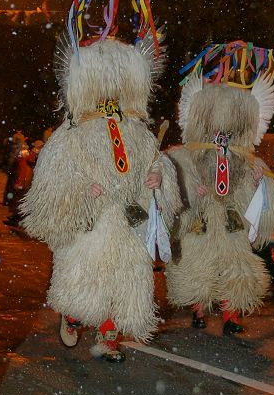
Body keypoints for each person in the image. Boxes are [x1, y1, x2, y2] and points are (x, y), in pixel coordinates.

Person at [20, 31, 181, 361]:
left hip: (126, 222)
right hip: (91, 224)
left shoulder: (139, 131)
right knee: (86, 278)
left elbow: (157, 162)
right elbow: (52, 182)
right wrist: (81, 193)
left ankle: (108, 339)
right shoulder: (71, 133)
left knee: (122, 282)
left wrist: (157, 176)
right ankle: (74, 315)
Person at [165, 43, 274, 336]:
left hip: (231, 224)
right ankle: (199, 310)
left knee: (236, 269)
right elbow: (177, 186)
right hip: (201, 222)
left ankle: (230, 316)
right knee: (199, 269)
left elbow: (255, 196)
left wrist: (259, 180)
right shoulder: (187, 154)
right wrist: (193, 191)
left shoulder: (244, 157)